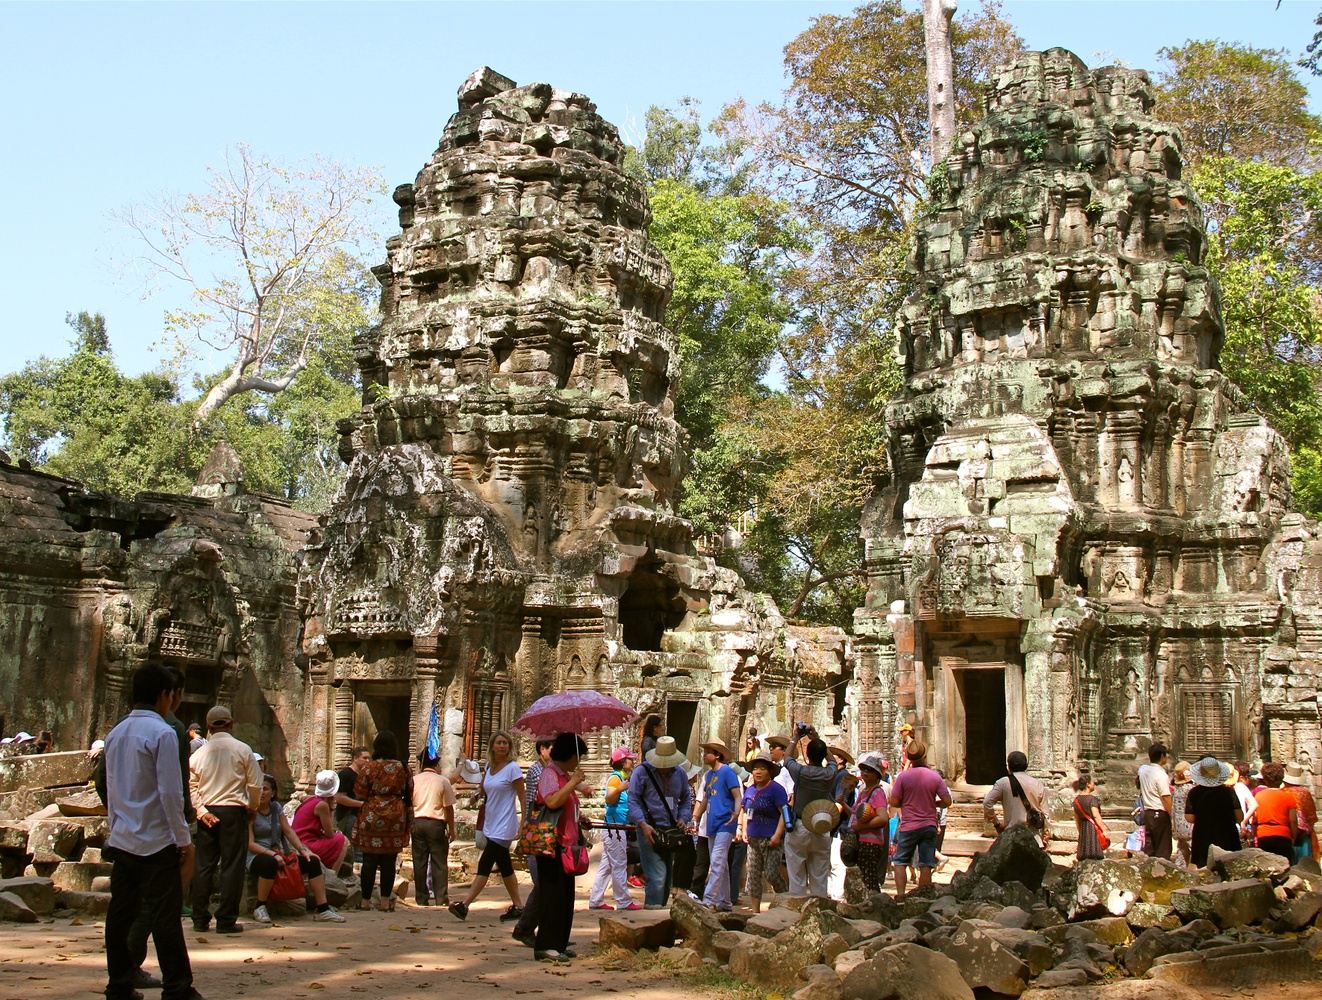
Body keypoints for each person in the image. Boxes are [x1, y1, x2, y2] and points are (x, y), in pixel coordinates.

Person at [103, 664, 200, 1000]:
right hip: (157, 840)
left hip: (123, 838)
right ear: (164, 696)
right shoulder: (161, 734)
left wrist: (113, 828)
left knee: (120, 915)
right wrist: (183, 838)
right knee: (165, 918)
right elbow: (171, 793)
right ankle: (177, 986)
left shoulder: (116, 733)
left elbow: (111, 786)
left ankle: (119, 983)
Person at [189, 705, 261, 934]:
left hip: (208, 811)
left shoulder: (198, 754)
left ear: (208, 726)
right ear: (231, 724)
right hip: (234, 811)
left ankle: (200, 918)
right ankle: (226, 919)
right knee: (232, 866)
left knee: (203, 866)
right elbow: (256, 784)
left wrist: (201, 811)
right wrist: (252, 807)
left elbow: (191, 786)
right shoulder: (242, 749)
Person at [248, 774, 346, 924]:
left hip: (279, 852)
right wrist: (272, 854)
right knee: (269, 863)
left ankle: (323, 909)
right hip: (255, 854)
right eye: (259, 789)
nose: (262, 792)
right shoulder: (250, 811)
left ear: (273, 793)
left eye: (265, 789)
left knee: (312, 861)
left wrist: (303, 849)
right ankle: (260, 906)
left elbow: (288, 831)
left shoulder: (276, 808)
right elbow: (249, 843)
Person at [449, 731, 524, 921]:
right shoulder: (490, 767)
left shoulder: (513, 769)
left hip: (505, 823)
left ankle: (465, 905)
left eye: (505, 743)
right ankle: (519, 906)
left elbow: (523, 797)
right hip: (491, 821)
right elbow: (484, 785)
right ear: (492, 746)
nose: (502, 746)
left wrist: (524, 822)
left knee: (486, 862)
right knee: (505, 865)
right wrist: (476, 795)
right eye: (499, 743)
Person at [533, 732, 591, 962]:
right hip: (551, 842)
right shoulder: (550, 774)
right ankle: (545, 944)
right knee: (552, 895)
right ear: (569, 755)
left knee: (565, 896)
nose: (579, 761)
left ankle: (560, 942)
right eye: (578, 756)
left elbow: (568, 804)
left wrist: (580, 817)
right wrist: (574, 783)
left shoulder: (564, 776)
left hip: (567, 843)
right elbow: (552, 801)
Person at [627, 735, 695, 909]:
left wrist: (683, 817)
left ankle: (658, 914)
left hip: (670, 831)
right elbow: (633, 799)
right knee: (657, 875)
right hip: (648, 829)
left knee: (667, 879)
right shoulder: (642, 772)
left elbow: (686, 798)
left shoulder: (679, 773)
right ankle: (651, 916)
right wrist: (642, 824)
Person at [353, 730, 412, 911]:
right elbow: (409, 793)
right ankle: (385, 902)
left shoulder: (369, 768)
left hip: (372, 813)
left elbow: (359, 792)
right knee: (389, 859)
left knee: (369, 859)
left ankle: (365, 901)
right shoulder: (403, 767)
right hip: (395, 816)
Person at [887, 739, 951, 898]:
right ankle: (923, 898)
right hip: (929, 824)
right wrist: (933, 802)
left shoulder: (903, 777)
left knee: (900, 862)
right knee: (926, 863)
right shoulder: (934, 777)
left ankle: (901, 895)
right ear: (924, 756)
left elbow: (894, 801)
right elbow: (947, 801)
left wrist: (907, 802)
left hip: (909, 825)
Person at [783, 736, 842, 898]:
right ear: (823, 755)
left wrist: (795, 737)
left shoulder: (801, 772)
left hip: (800, 825)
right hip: (821, 825)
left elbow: (787, 758)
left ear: (807, 755)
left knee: (796, 872)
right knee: (820, 874)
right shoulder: (829, 773)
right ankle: (819, 908)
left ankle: (797, 907)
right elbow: (832, 762)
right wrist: (815, 736)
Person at [512, 738, 555, 946]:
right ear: (542, 750)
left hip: (546, 829)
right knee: (543, 884)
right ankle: (525, 928)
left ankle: (545, 931)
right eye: (552, 749)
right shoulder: (539, 771)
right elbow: (546, 800)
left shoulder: (550, 771)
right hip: (539, 829)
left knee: (547, 885)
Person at [693, 740, 742, 911]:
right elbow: (706, 798)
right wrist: (696, 818)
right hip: (712, 823)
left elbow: (737, 795)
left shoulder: (727, 772)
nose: (704, 754)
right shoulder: (708, 776)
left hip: (726, 823)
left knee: (717, 861)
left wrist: (736, 814)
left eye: (708, 752)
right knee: (721, 865)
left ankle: (708, 899)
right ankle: (725, 901)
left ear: (717, 755)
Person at [589, 747, 639, 911]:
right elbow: (609, 800)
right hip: (614, 827)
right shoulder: (615, 779)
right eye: (630, 759)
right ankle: (623, 901)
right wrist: (619, 789)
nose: (633, 761)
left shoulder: (623, 778)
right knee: (619, 863)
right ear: (623, 762)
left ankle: (596, 900)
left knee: (607, 866)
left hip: (618, 826)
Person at [738, 753, 788, 912]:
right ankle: (755, 912)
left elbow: (784, 813)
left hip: (771, 839)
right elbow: (745, 810)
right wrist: (743, 828)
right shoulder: (750, 790)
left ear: (769, 771)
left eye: (762, 768)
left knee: (771, 874)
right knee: (753, 875)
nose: (758, 772)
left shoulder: (776, 789)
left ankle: (785, 900)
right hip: (753, 838)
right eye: (755, 769)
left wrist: (778, 835)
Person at [288, 767, 352, 879]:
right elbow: (329, 834)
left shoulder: (310, 799)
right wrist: (332, 810)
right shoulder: (322, 805)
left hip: (298, 841)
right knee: (343, 840)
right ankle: (332, 875)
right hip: (306, 844)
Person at [411, 751, 456, 906]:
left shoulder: (413, 780)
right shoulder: (442, 781)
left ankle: (421, 898)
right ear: (436, 765)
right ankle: (441, 898)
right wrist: (452, 828)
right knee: (439, 862)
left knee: (419, 861)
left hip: (417, 822)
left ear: (421, 765)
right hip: (436, 823)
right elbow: (448, 808)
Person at [1185, 756, 1244, 867]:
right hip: (1227, 835)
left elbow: (1189, 817)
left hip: (1203, 836)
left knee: (1204, 871)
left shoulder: (1194, 793)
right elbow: (1239, 817)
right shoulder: (1228, 792)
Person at [851, 753, 890, 893]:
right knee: (864, 877)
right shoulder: (864, 792)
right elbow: (856, 813)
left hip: (871, 841)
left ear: (877, 775)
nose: (865, 772)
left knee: (869, 878)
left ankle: (875, 906)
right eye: (864, 769)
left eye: (869, 770)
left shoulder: (877, 793)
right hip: (862, 840)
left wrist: (861, 826)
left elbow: (882, 818)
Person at [983, 751, 1047, 835]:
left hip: (1011, 836)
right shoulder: (1037, 783)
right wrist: (1045, 835)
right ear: (1026, 765)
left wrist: (997, 824)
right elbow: (1046, 814)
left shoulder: (1002, 783)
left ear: (1008, 766)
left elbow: (987, 803)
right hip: (1033, 837)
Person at [1252, 762, 1299, 862]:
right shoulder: (1288, 796)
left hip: (1263, 835)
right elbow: (1293, 820)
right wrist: (1294, 836)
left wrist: (1254, 834)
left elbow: (1254, 819)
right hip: (1283, 835)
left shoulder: (1258, 796)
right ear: (1282, 779)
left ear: (1265, 779)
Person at [333, 746, 371, 865]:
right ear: (355, 758)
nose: (368, 761)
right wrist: (361, 804)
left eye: (369, 758)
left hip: (360, 817)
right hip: (348, 817)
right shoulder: (345, 774)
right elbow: (339, 797)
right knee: (354, 851)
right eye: (364, 758)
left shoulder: (364, 775)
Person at [1136, 743, 1173, 860]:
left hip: (1147, 812)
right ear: (1162, 756)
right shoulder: (1161, 774)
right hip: (1159, 813)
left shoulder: (1142, 770)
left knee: (1150, 847)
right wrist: (1172, 814)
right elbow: (1165, 797)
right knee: (1163, 848)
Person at [1284, 762, 1318, 862]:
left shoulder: (1283, 792)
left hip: (1288, 832)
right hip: (1304, 833)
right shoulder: (1305, 793)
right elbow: (1312, 815)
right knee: (1305, 863)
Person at [1071, 774, 1109, 861]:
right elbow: (1096, 816)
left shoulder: (1076, 800)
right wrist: (1104, 830)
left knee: (1084, 855)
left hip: (1083, 829)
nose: (1094, 784)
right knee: (1094, 853)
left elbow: (1077, 819)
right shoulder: (1092, 800)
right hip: (1093, 830)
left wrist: (1080, 831)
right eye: (1093, 783)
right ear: (1088, 784)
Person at [1170, 761, 1194, 865]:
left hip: (1178, 826)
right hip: (1190, 826)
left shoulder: (1176, 790)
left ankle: (1180, 871)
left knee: (1182, 851)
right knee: (1194, 850)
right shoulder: (1190, 789)